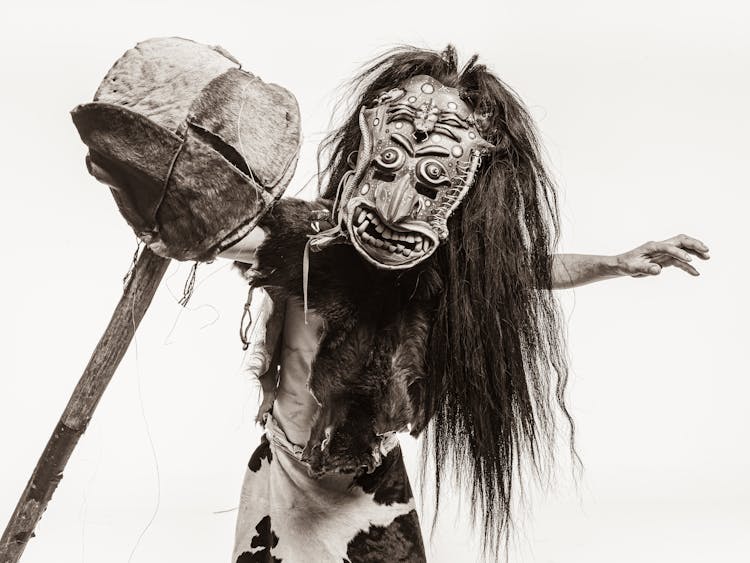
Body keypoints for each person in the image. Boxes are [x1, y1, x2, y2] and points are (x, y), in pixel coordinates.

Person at [216, 45, 709, 563]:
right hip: (284, 473)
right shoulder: (308, 241)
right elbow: (224, 235)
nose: (400, 200)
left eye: (430, 172)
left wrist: (615, 262)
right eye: (392, 159)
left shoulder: (440, 266)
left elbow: (526, 272)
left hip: (365, 478)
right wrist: (171, 203)